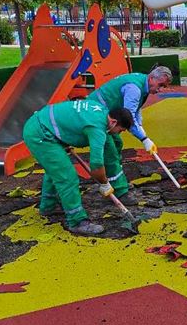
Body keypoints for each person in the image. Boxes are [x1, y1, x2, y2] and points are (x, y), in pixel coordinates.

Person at [23, 101, 134, 236]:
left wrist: (64, 137)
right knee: (67, 177)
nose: (119, 133)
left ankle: (48, 206)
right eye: (121, 130)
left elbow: (72, 119)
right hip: (40, 134)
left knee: (56, 170)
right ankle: (77, 222)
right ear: (114, 122)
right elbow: (96, 165)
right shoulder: (97, 128)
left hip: (43, 125)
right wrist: (104, 183)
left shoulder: (101, 111)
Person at [87, 67, 172, 193]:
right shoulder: (134, 89)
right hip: (95, 114)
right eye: (160, 85)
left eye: (163, 86)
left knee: (117, 143)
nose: (160, 90)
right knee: (109, 149)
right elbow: (129, 118)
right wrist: (144, 139)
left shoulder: (143, 83)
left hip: (104, 114)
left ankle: (112, 179)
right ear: (152, 78)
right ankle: (120, 191)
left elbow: (136, 109)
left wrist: (141, 128)